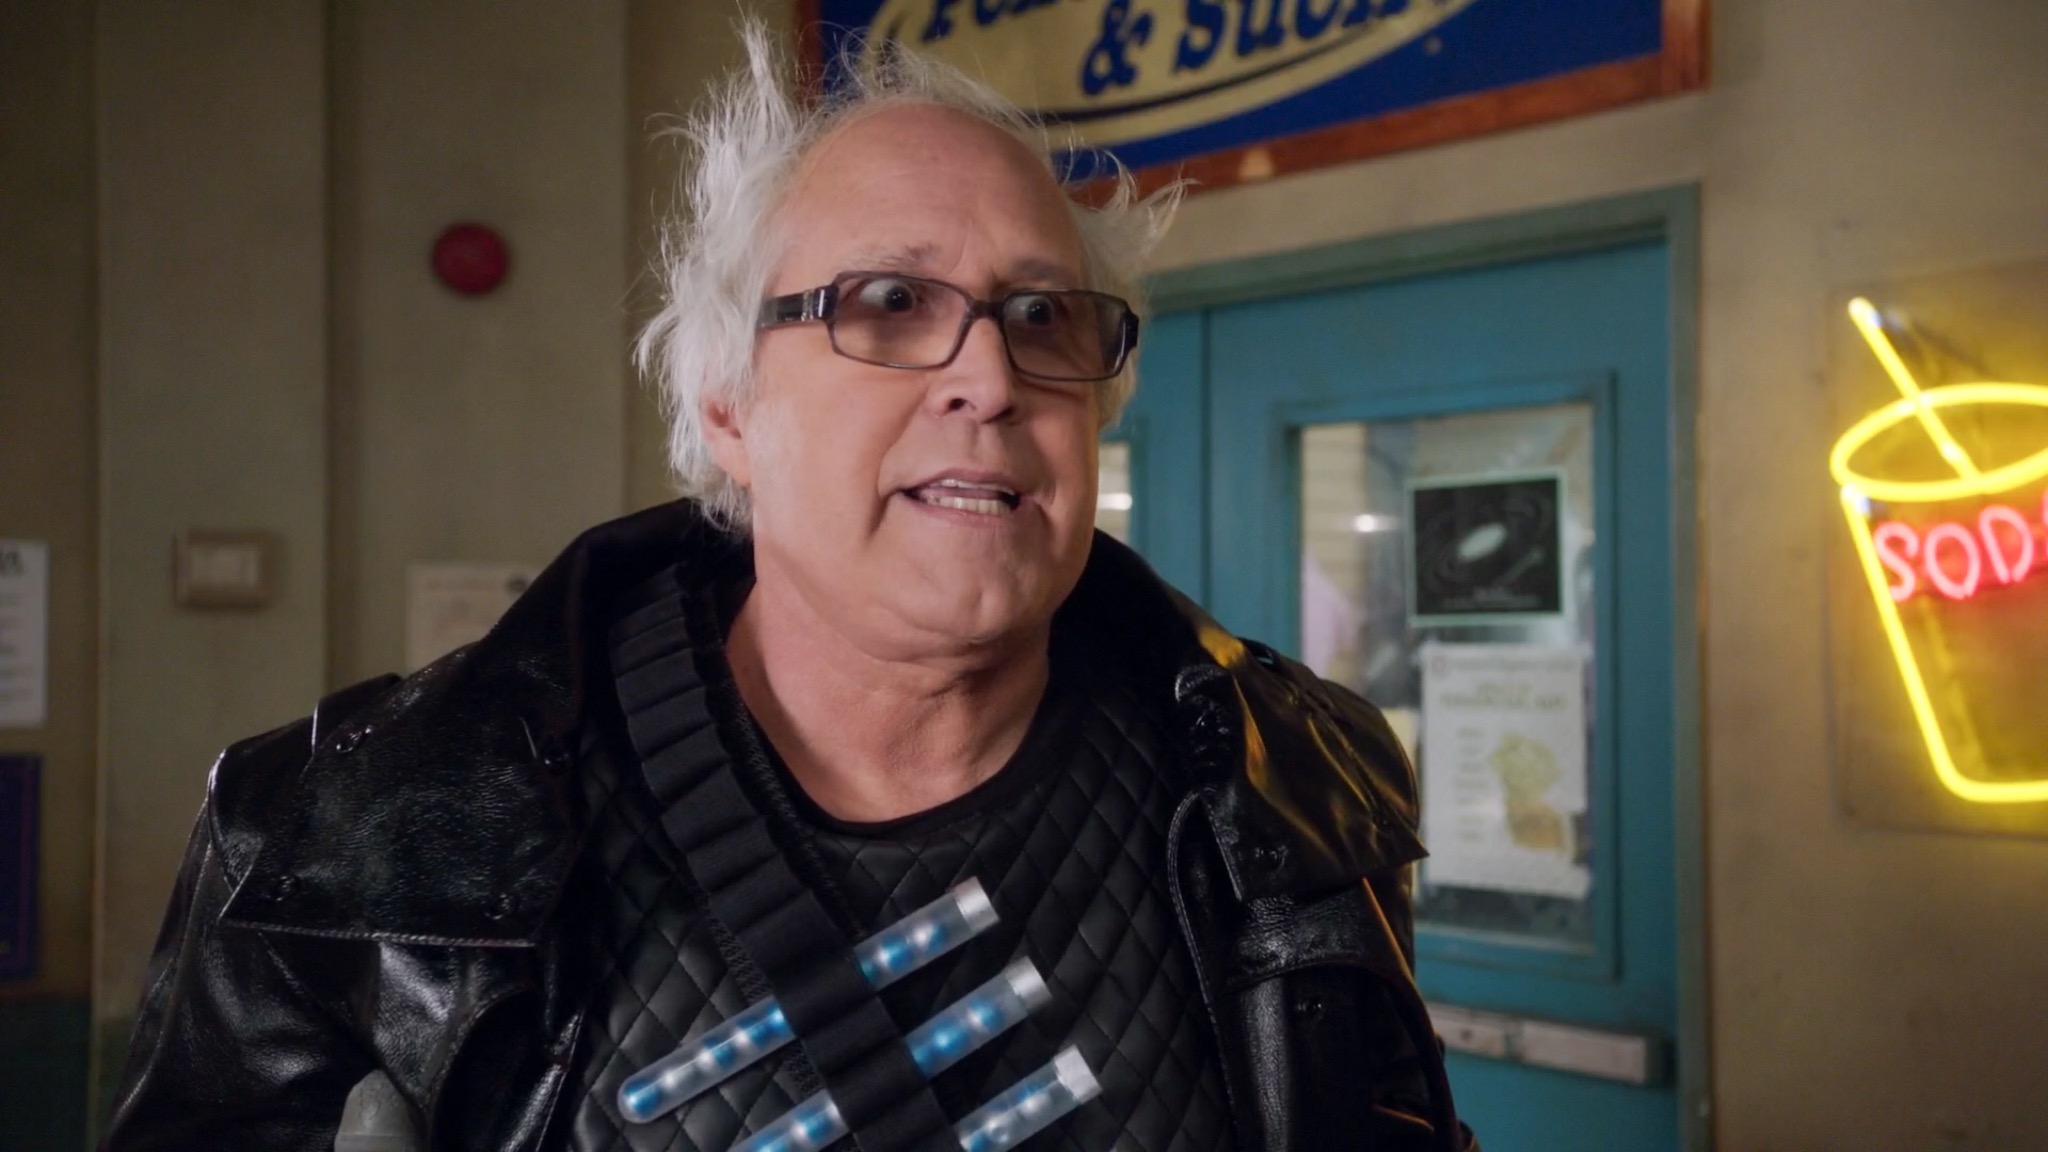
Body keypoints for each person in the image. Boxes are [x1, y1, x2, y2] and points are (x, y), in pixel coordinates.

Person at [103, 23, 1474, 1152]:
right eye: (889, 304)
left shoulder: (1297, 784)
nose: (990, 379)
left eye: (1042, 315)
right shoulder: (336, 849)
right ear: (727, 407)